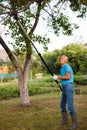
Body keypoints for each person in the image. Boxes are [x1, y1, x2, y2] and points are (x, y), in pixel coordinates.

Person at [52, 55, 78, 130]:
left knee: (70, 105)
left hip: (69, 87)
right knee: (62, 104)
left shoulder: (67, 66)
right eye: (60, 58)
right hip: (65, 87)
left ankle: (75, 123)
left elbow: (68, 77)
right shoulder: (62, 68)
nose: (61, 59)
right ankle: (65, 120)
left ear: (66, 60)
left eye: (62, 58)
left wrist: (58, 77)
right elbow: (64, 78)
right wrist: (57, 80)